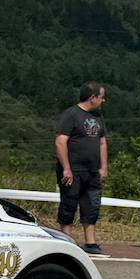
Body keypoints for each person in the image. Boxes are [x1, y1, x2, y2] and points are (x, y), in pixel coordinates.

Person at [54, 82, 108, 254]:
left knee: (92, 205)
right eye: (101, 97)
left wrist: (103, 167)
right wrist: (66, 168)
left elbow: (102, 143)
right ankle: (67, 241)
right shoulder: (71, 114)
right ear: (92, 97)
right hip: (73, 169)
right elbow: (60, 142)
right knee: (69, 203)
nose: (103, 100)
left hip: (92, 171)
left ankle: (90, 242)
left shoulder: (98, 116)